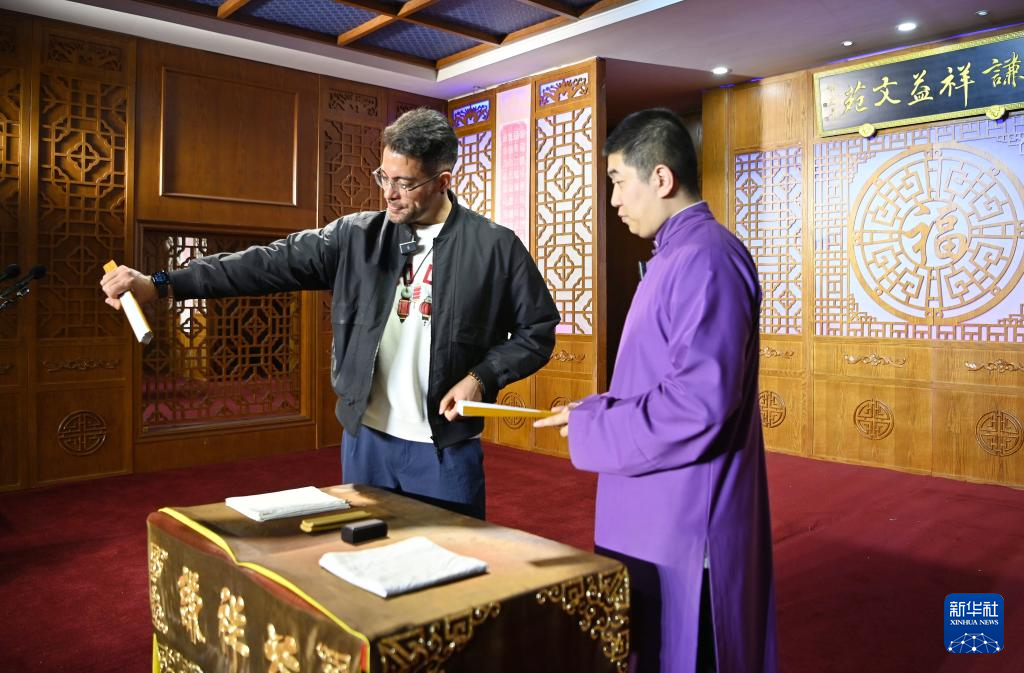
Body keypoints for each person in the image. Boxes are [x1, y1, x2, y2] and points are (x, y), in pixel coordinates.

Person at [102, 108, 559, 520]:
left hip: (444, 446)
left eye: (405, 183)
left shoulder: (494, 247)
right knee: (369, 559)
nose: (389, 193)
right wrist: (160, 284)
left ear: (442, 181)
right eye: (384, 177)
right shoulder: (356, 237)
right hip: (367, 441)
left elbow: (536, 330)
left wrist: (481, 376)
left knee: (453, 565)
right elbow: (263, 265)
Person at [535, 109, 778, 673]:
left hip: (687, 513)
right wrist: (594, 409)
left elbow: (699, 405)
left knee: (687, 647)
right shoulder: (676, 254)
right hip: (655, 502)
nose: (614, 200)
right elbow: (659, 378)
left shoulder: (707, 259)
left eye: (619, 182)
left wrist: (598, 426)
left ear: (661, 178)